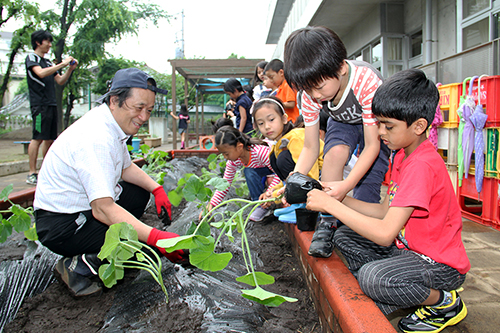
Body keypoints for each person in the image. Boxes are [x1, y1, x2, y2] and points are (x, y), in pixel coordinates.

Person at [305, 69, 470, 333]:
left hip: (439, 265)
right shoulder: (403, 154)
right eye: (378, 123)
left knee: (373, 277)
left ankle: (443, 302)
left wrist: (331, 206)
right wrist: (340, 196)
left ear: (418, 126)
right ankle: (395, 289)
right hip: (409, 251)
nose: (380, 132)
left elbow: (384, 234)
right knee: (345, 237)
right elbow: (384, 211)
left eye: (388, 126)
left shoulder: (422, 166)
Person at [33, 68, 187, 297]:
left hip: (84, 209)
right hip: (63, 224)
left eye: (149, 110)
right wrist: (156, 238)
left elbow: (126, 168)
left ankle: (112, 237)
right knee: (142, 252)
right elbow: (103, 209)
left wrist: (156, 189)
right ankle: (79, 265)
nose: (144, 117)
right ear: (115, 100)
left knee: (138, 192)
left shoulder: (111, 124)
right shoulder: (96, 137)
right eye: (138, 108)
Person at [283, 26, 390, 258]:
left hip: (375, 126)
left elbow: (372, 145)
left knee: (365, 188)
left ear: (341, 68)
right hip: (342, 122)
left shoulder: (365, 81)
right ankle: (328, 220)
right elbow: (311, 147)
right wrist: (292, 180)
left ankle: (364, 237)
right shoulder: (310, 95)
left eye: (319, 87)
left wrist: (347, 185)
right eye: (307, 89)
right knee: (334, 154)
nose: (315, 96)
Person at [252, 96, 324, 220]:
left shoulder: (295, 137)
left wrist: (283, 195)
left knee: (283, 158)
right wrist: (272, 193)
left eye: (271, 119)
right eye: (261, 123)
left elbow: (310, 173)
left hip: (325, 178)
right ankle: (299, 204)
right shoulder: (277, 145)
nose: (267, 126)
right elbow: (289, 178)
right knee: (275, 158)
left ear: (284, 119)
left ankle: (308, 207)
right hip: (312, 179)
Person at [25, 29, 78, 185]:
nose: (49, 45)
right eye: (47, 41)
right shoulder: (31, 58)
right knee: (38, 137)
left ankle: (46, 170)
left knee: (49, 139)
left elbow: (60, 81)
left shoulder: (48, 62)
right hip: (39, 105)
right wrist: (62, 63)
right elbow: (40, 73)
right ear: (38, 42)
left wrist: (69, 69)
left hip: (51, 104)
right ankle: (32, 172)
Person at [200, 120, 281, 222]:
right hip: (266, 168)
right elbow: (226, 183)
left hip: (281, 166)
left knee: (249, 171)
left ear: (239, 147)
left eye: (226, 153)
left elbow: (280, 172)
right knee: (249, 171)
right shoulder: (233, 161)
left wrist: (269, 192)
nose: (225, 157)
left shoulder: (259, 152)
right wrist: (212, 204)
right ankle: (260, 205)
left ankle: (264, 202)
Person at [264, 59, 300, 123]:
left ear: (281, 73)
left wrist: (276, 104)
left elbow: (291, 104)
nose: (271, 81)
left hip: (292, 120)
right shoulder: (281, 87)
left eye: (272, 77)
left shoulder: (287, 85)